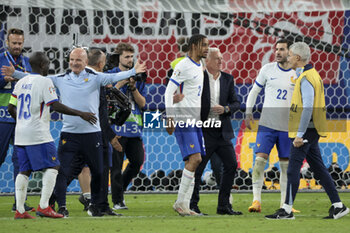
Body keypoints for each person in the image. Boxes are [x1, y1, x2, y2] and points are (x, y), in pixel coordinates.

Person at [3, 47, 146, 217]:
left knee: (99, 171)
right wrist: (16, 73)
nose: (74, 63)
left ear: (86, 62)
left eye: (78, 60)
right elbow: (37, 78)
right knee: (61, 171)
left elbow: (115, 77)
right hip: (69, 134)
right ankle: (59, 206)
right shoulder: (62, 78)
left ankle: (96, 206)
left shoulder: (95, 78)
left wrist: (133, 71)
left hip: (92, 133)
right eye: (71, 60)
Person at [265, 42, 349, 220]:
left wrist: (300, 135)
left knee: (292, 169)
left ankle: (287, 210)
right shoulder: (311, 74)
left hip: (306, 131)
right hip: (311, 129)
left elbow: (308, 107)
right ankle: (338, 205)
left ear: (297, 58)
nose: (288, 57)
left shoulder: (305, 78)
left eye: (290, 55)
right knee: (318, 168)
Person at [8, 51, 97, 219]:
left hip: (20, 134)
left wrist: (22, 122)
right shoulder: (45, 81)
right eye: (48, 63)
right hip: (38, 134)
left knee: (24, 170)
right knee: (54, 167)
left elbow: (10, 108)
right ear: (43, 65)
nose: (49, 66)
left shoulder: (21, 82)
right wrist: (80, 113)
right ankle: (44, 206)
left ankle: (20, 210)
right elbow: (55, 105)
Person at [67, 48, 123, 216]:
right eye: (104, 61)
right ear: (100, 63)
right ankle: (51, 199)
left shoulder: (88, 78)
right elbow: (100, 113)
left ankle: (101, 205)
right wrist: (111, 136)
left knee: (97, 168)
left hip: (89, 131)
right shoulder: (94, 80)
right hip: (92, 133)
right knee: (79, 168)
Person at [245, 39, 297, 213]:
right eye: (276, 49)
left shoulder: (297, 73)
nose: (277, 52)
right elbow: (254, 91)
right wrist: (248, 112)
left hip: (287, 127)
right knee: (259, 161)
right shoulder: (267, 69)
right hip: (267, 125)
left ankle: (284, 204)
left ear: (290, 53)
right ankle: (256, 201)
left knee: (285, 166)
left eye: (282, 49)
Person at [188, 47, 241, 216]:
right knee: (198, 168)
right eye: (217, 58)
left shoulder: (227, 79)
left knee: (231, 165)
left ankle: (224, 206)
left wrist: (225, 108)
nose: (220, 61)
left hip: (222, 131)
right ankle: (192, 205)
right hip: (204, 131)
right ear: (207, 61)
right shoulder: (199, 79)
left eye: (221, 58)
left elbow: (235, 103)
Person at [164, 34, 209, 216]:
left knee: (195, 161)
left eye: (207, 45)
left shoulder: (200, 65)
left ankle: (185, 205)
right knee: (195, 159)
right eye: (203, 45)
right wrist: (170, 117)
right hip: (183, 118)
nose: (206, 48)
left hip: (194, 119)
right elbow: (168, 92)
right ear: (193, 46)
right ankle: (181, 203)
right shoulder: (183, 65)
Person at [107, 43, 147, 210]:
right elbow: (107, 95)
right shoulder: (110, 75)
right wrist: (123, 82)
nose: (130, 60)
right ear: (119, 58)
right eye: (127, 57)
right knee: (115, 167)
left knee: (137, 161)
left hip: (134, 129)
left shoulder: (139, 77)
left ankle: (119, 190)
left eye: (132, 57)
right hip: (116, 129)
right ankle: (117, 201)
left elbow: (143, 103)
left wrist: (133, 88)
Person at [0, 28, 34, 212]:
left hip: (21, 118)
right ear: (7, 42)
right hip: (2, 116)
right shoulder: (0, 59)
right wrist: (3, 79)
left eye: (20, 43)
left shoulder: (26, 62)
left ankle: (19, 203)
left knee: (20, 160)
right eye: (14, 43)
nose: (17, 46)